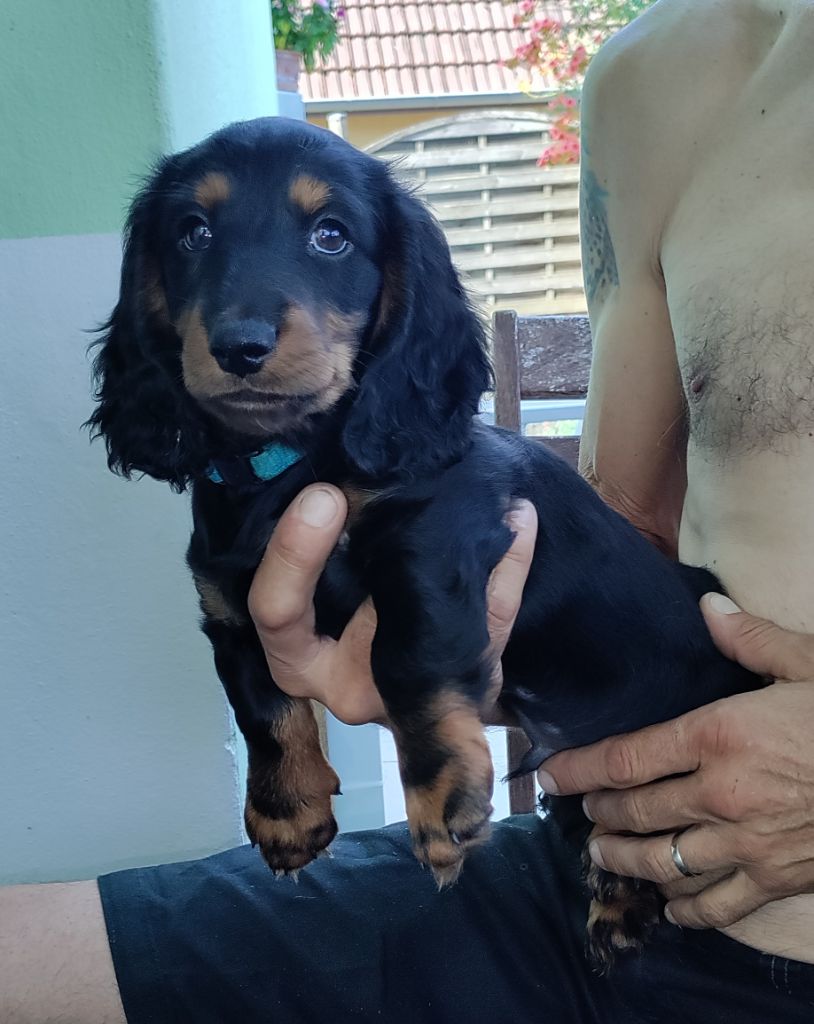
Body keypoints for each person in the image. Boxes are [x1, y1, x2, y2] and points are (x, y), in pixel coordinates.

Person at [3, 0, 814, 1019]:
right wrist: (456, 655)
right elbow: (617, 531)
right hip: (599, 859)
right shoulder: (656, 78)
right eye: (198, 234)